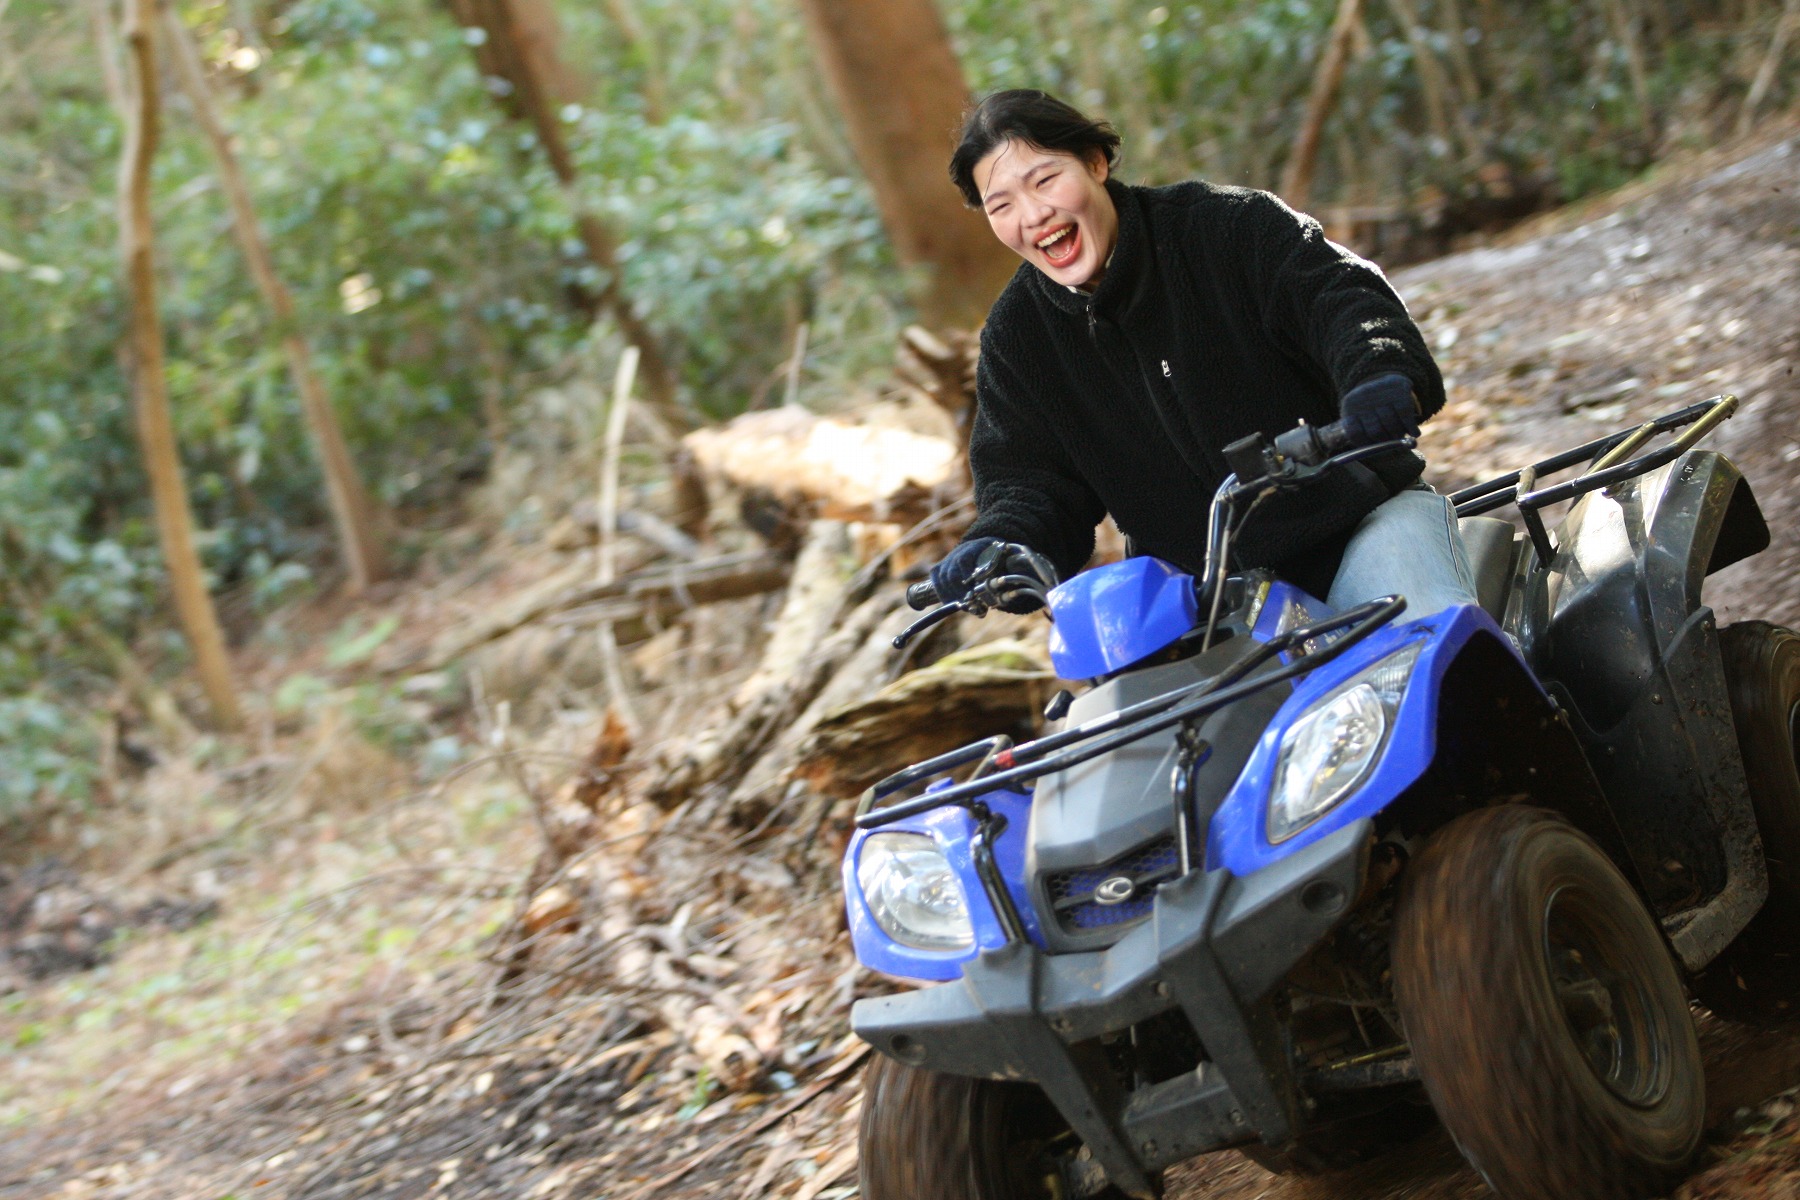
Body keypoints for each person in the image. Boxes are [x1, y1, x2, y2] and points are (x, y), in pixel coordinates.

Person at [928, 89, 1477, 620]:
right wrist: (1000, 544)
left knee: (1428, 649)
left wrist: (1377, 373)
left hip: (1364, 524)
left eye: (1045, 180)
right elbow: (1028, 480)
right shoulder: (1017, 338)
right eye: (1002, 205)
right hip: (1204, 597)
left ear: (1095, 162)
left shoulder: (1228, 226)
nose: (1032, 215)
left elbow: (1341, 302)